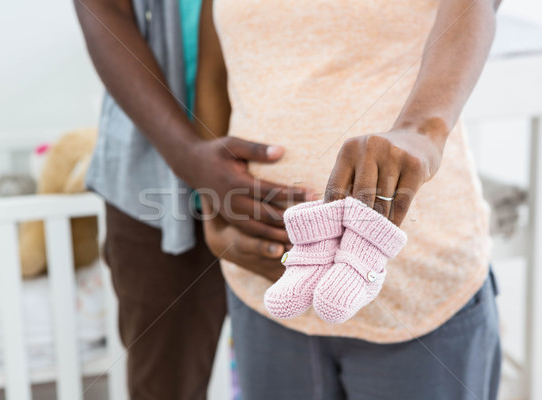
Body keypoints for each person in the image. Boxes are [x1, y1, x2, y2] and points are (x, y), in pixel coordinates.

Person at [197, 0, 503, 399]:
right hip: (264, 282)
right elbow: (213, 75)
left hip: (418, 287)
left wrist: (420, 130)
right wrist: (212, 210)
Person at [74, 0, 309, 398]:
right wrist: (188, 157)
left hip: (289, 169)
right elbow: (102, 10)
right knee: (165, 385)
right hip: (154, 177)